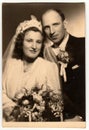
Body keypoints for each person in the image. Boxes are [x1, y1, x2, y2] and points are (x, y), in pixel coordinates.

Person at [2, 15, 63, 122]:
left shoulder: (49, 67)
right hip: (7, 119)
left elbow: (56, 102)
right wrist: (10, 108)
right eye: (29, 40)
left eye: (38, 42)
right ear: (21, 42)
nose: (34, 46)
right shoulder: (11, 64)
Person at [42, 8, 85, 121]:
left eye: (55, 24)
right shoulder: (42, 55)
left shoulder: (84, 45)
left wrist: (83, 117)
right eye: (47, 27)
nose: (51, 31)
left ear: (65, 23)